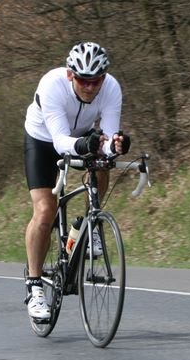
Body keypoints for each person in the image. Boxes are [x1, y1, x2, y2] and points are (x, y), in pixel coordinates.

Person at [23, 42, 131, 320]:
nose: (91, 87)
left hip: (82, 138)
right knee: (46, 210)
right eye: (84, 80)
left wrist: (114, 146)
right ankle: (34, 286)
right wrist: (89, 143)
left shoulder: (111, 88)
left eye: (96, 81)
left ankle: (89, 224)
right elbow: (60, 142)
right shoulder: (52, 85)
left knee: (103, 165)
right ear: (71, 75)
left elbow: (106, 139)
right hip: (43, 139)